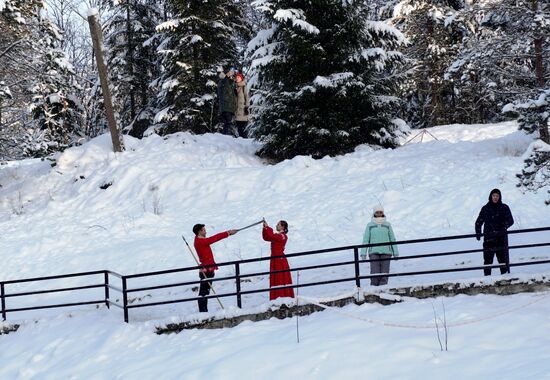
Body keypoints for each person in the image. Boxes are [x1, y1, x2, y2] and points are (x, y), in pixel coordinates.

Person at [193, 223, 237, 312]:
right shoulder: (200, 241)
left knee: (206, 292)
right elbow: (214, 238)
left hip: (209, 269)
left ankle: (204, 311)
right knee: (204, 292)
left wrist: (228, 233)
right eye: (204, 230)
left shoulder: (200, 240)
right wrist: (228, 233)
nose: (206, 231)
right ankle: (203, 312)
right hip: (206, 270)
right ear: (199, 232)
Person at [475, 188, 514, 276]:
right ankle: (486, 281)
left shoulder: (504, 207)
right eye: (494, 196)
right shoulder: (485, 208)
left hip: (501, 239)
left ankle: (505, 279)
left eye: (497, 196)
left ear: (500, 197)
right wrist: (478, 233)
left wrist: (503, 227)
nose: (495, 197)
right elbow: (478, 222)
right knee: (487, 262)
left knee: (503, 262)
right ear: (490, 196)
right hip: (488, 240)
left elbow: (510, 221)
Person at [360, 206, 399, 286]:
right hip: (374, 252)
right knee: (374, 272)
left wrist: (395, 252)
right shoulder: (370, 225)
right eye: (377, 212)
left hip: (386, 252)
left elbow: (392, 239)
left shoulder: (388, 225)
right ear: (374, 213)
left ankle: (383, 289)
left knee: (385, 272)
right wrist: (363, 252)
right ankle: (373, 289)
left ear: (383, 213)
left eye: (380, 212)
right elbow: (366, 239)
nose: (379, 214)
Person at [262, 219, 295, 300]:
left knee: (280, 277)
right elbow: (266, 237)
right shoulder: (278, 235)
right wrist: (265, 228)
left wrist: (267, 227)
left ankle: (281, 295)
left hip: (279, 260)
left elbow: (271, 236)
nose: (276, 225)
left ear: (282, 227)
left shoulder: (282, 236)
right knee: (277, 277)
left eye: (278, 224)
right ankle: (278, 296)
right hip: (275, 259)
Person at [216, 66, 237, 135]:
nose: (231, 74)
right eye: (230, 72)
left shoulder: (230, 83)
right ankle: (225, 136)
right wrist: (226, 75)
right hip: (226, 106)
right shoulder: (223, 81)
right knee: (227, 122)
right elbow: (222, 93)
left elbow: (233, 95)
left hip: (230, 106)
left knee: (228, 122)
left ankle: (225, 136)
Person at [234, 72, 249, 138]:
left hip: (243, 109)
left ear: (241, 79)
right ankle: (241, 140)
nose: (237, 78)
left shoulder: (243, 86)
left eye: (238, 77)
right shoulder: (235, 87)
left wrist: (247, 107)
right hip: (237, 110)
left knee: (244, 127)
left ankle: (245, 140)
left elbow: (247, 97)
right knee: (239, 127)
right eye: (236, 77)